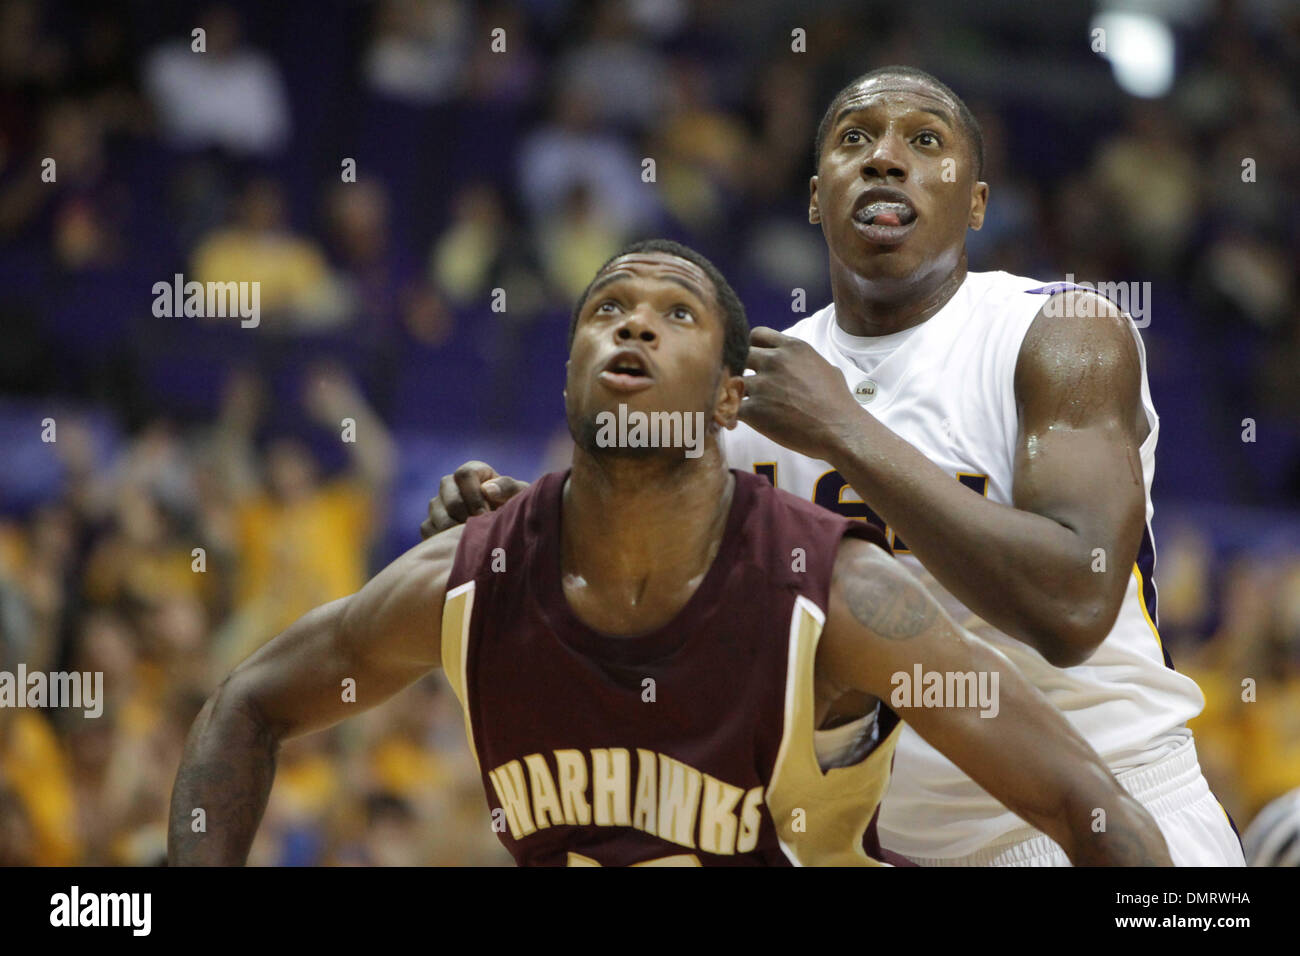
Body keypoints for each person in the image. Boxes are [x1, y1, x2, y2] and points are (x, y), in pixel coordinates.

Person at [423, 67, 1243, 868]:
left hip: (1113, 810)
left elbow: (1072, 605)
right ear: (818, 197)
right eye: (856, 139)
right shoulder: (740, 394)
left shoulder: (1059, 335)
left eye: (925, 141)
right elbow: (644, 601)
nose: (886, 158)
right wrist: (517, 536)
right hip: (871, 847)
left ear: (977, 202)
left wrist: (845, 430)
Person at [169, 239, 1170, 866]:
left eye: (675, 312)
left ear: (730, 399)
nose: (635, 321)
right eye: (607, 309)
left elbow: (1088, 805)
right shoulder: (468, 579)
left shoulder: (838, 592)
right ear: (569, 379)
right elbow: (247, 705)